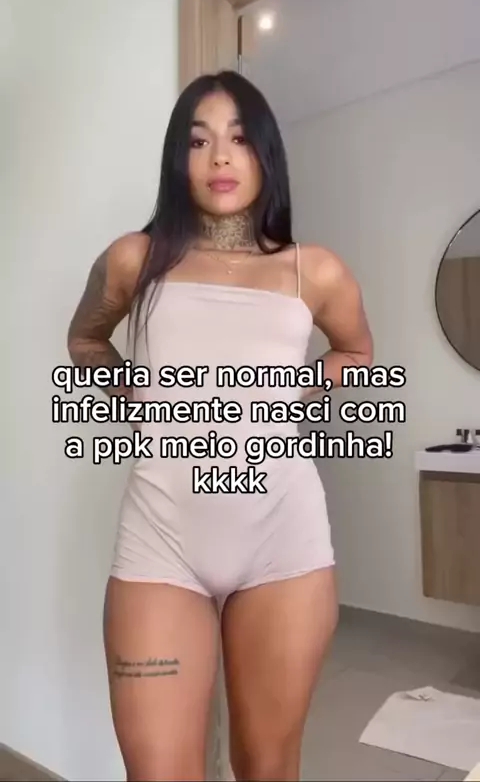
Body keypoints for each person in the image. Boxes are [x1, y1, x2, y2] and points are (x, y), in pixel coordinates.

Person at [67, 70, 373, 782]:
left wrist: (296, 390)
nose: (221, 156)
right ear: (178, 159)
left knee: (267, 767)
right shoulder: (135, 259)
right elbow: (85, 338)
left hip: (283, 542)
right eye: (198, 140)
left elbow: (356, 352)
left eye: (239, 138)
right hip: (161, 542)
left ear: (266, 153)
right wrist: (130, 389)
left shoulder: (314, 270)